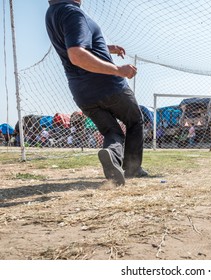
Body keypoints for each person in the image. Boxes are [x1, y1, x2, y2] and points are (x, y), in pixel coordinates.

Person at [46, 0, 147, 185]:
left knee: (111, 130)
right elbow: (76, 54)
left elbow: (78, 43)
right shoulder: (73, 13)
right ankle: (133, 169)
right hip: (108, 85)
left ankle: (112, 157)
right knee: (134, 120)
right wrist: (118, 70)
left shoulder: (53, 13)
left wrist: (107, 49)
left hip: (82, 93)